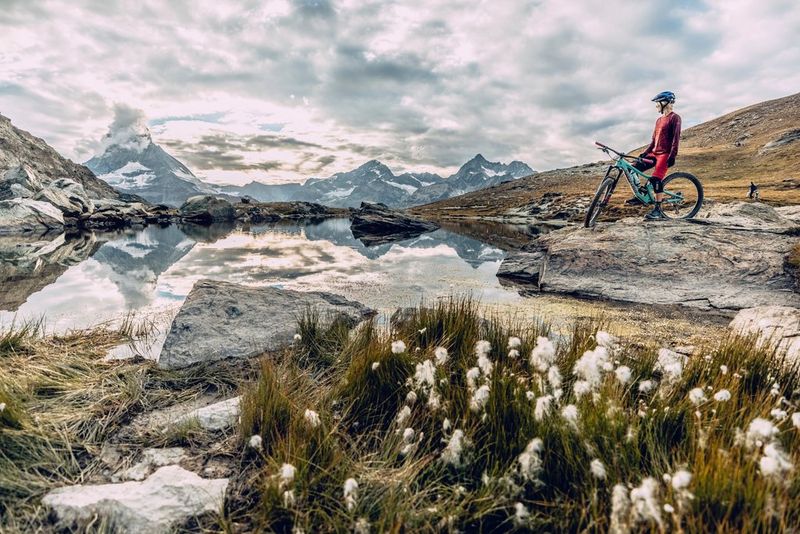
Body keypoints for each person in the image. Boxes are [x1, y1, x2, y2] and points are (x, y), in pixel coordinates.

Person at [626, 91, 682, 220]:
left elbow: (676, 139)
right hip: (654, 153)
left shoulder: (675, 118)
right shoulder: (658, 120)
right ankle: (640, 195)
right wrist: (645, 153)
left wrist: (672, 156)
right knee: (632, 168)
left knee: (656, 180)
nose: (656, 106)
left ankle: (658, 210)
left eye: (658, 103)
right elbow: (653, 140)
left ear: (665, 102)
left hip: (665, 154)